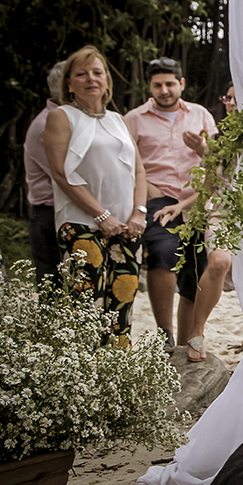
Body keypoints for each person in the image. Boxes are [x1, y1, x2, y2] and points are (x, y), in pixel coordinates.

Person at [43, 47, 147, 345]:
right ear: (69, 84)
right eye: (81, 74)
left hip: (127, 225)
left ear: (107, 81)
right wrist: (102, 215)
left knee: (123, 299)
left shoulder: (118, 119)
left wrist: (139, 212)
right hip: (82, 223)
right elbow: (61, 174)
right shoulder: (62, 117)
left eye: (97, 72)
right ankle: (85, 368)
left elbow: (139, 171)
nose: (91, 78)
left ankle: (117, 364)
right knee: (85, 304)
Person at [124, 57, 217, 353]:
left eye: (169, 84)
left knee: (196, 267)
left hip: (197, 199)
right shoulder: (133, 119)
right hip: (157, 198)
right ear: (149, 87)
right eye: (157, 85)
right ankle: (165, 333)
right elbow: (125, 163)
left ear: (181, 84)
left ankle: (188, 341)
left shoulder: (200, 115)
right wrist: (145, 189)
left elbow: (218, 163)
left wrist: (203, 148)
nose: (164, 90)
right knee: (163, 252)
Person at [178, 82, 239, 362]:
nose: (232, 103)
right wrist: (184, 210)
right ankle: (197, 330)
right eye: (228, 98)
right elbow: (210, 186)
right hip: (223, 212)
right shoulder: (218, 140)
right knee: (219, 262)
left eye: (237, 98)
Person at [22, 61, 66, 284]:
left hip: (68, 210)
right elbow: (69, 175)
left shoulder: (71, 118)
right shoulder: (46, 124)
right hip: (50, 214)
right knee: (54, 288)